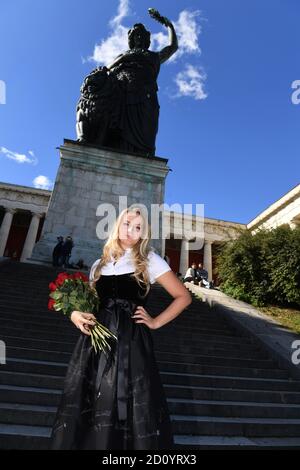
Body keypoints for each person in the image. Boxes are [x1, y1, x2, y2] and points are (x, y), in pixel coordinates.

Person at [50, 206, 192, 450]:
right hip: (96, 342)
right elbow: (90, 305)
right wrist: (74, 314)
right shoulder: (98, 264)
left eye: (138, 228)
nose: (131, 231)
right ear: (116, 225)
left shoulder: (149, 259)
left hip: (131, 339)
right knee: (94, 397)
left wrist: (156, 322)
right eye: (127, 224)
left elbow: (183, 296)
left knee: (127, 397)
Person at [76, 9, 178, 156]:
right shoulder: (123, 55)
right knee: (117, 129)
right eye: (135, 35)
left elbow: (172, 47)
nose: (138, 37)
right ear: (131, 39)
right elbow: (107, 71)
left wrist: (169, 25)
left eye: (141, 35)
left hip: (146, 95)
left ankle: (142, 156)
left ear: (146, 39)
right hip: (123, 94)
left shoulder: (154, 56)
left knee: (147, 130)